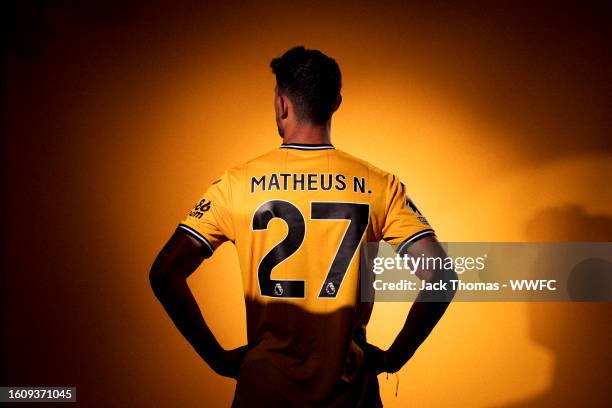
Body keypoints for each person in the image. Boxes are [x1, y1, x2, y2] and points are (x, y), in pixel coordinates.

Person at [149, 46, 456, 407]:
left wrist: (216, 358)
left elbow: (165, 272)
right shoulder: (380, 185)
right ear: (336, 103)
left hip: (264, 390)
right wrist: (393, 357)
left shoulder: (235, 184)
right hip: (350, 394)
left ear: (282, 104)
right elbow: (442, 277)